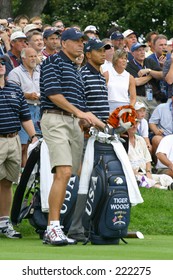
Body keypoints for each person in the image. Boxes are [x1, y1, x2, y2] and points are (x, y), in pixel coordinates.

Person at [40, 28, 106, 246]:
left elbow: (80, 104)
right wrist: (80, 113)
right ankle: (52, 227)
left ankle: (57, 226)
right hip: (55, 118)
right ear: (64, 43)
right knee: (64, 171)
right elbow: (52, 93)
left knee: (72, 174)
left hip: (73, 123)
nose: (81, 45)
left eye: (82, 41)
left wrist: (88, 119)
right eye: (77, 41)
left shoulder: (76, 68)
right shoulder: (53, 62)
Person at [67, 38, 111, 242]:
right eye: (100, 50)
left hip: (102, 137)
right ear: (89, 54)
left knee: (97, 183)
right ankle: (75, 227)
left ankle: (91, 225)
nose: (104, 53)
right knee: (82, 182)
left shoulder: (101, 77)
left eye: (105, 50)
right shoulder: (82, 75)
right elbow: (79, 109)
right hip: (86, 137)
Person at [0, 55, 37, 239]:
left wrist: (34, 137)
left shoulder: (14, 89)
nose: (0, 66)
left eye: (1, 63)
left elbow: (25, 116)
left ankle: (4, 222)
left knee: (7, 183)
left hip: (13, 139)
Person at [8, 47, 41, 168]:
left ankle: (32, 173)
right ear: (23, 58)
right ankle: (21, 173)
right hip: (24, 108)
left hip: (39, 109)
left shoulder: (40, 71)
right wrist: (27, 95)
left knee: (36, 143)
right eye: (31, 56)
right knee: (22, 145)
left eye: (35, 56)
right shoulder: (15, 73)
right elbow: (11, 93)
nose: (34, 59)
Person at [127, 122, 173, 190]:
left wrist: (148, 172)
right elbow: (160, 155)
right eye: (132, 124)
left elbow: (148, 160)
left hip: (145, 172)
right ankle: (163, 188)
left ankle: (163, 184)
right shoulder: (122, 142)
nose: (135, 126)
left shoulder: (141, 139)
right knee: (140, 178)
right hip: (133, 173)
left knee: (166, 178)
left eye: (136, 123)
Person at [126, 42, 164, 119]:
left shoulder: (149, 61)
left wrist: (149, 71)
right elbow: (137, 82)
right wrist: (151, 75)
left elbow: (162, 75)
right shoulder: (129, 65)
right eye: (139, 50)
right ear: (132, 53)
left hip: (154, 98)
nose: (142, 52)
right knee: (142, 121)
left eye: (143, 50)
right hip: (140, 98)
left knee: (157, 122)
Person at [148, 94, 173, 161]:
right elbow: (152, 123)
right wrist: (156, 131)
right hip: (163, 136)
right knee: (156, 139)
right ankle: (157, 166)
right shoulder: (161, 107)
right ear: (172, 98)